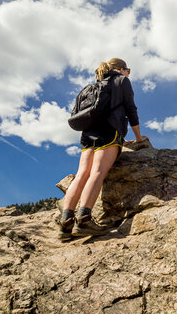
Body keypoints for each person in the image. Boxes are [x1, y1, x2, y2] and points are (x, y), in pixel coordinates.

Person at [58, 58, 148, 240]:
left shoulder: (93, 87)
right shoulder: (121, 81)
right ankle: (84, 220)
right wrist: (139, 137)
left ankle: (65, 223)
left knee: (82, 173)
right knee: (98, 172)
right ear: (121, 69)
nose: (128, 73)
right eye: (128, 70)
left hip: (87, 134)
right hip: (109, 132)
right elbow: (131, 109)